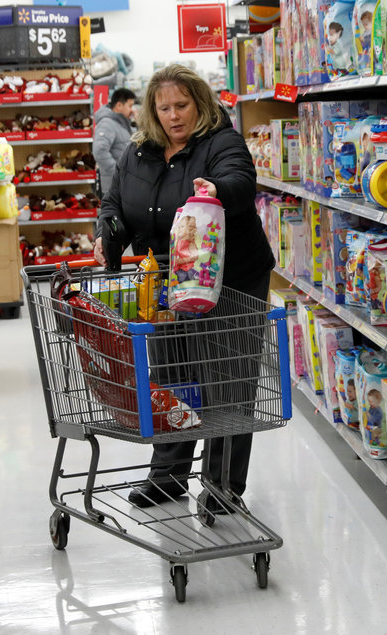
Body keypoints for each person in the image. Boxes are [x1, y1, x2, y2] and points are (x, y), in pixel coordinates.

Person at [95, 64, 275, 509]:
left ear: (200, 103)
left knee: (227, 381)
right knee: (174, 379)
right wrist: (108, 235)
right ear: (152, 112)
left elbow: (240, 181)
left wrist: (214, 190)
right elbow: (115, 203)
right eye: (164, 107)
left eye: (182, 105)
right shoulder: (138, 152)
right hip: (168, 283)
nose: (174, 115)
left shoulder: (222, 141)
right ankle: (167, 477)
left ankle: (222, 486)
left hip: (231, 280)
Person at [92, 87, 136, 198]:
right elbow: (99, 151)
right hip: (114, 188)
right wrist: (118, 173)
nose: (132, 110)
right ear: (119, 105)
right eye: (130, 106)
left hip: (124, 186)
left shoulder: (121, 123)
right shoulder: (107, 123)